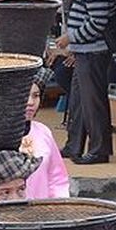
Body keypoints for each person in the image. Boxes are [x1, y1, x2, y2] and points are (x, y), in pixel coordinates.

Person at [56, 0, 116, 165]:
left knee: (93, 101)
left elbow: (97, 22)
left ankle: (99, 149)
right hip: (85, 50)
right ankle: (74, 144)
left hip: (93, 50)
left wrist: (69, 38)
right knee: (79, 100)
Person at [22, 70, 71, 199]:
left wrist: (57, 207)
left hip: (43, 214)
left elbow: (57, 178)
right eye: (24, 95)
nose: (30, 102)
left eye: (35, 95)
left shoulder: (43, 132)